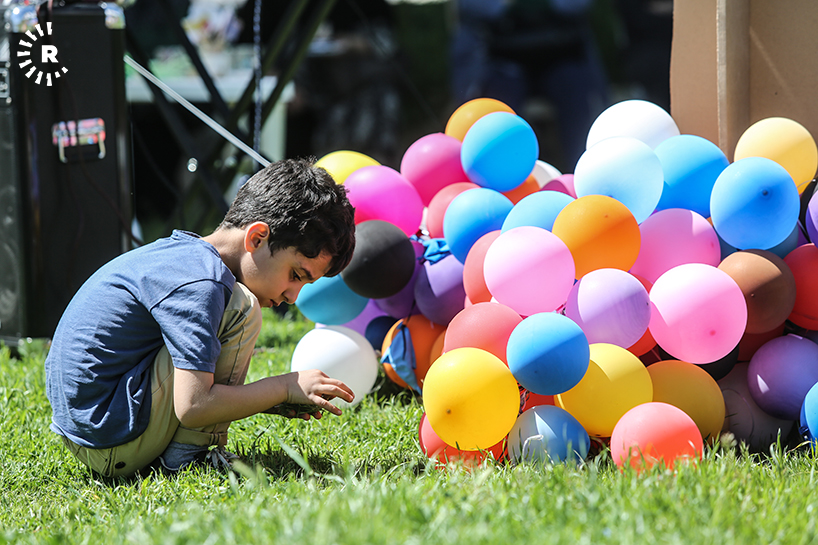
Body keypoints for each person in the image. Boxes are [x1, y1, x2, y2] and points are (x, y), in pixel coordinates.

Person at [44, 158, 357, 478]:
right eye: (296, 275)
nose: (292, 296)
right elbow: (194, 405)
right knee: (242, 307)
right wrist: (284, 386)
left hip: (93, 430)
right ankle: (191, 457)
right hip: (111, 439)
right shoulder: (203, 281)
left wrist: (266, 400)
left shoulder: (186, 258)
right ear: (257, 238)